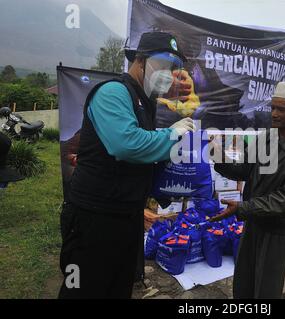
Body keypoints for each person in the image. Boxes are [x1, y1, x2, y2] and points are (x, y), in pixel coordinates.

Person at [58, 32, 196, 299]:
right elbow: (126, 145)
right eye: (164, 66)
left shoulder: (144, 102)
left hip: (125, 216)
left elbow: (143, 157)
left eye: (173, 68)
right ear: (141, 61)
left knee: (118, 287)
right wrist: (171, 135)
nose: (169, 75)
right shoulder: (113, 92)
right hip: (94, 217)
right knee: (85, 290)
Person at [210, 82, 285, 299]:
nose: (274, 114)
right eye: (272, 108)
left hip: (277, 230)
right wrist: (219, 156)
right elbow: (244, 170)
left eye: (281, 109)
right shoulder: (267, 137)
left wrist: (243, 207)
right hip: (254, 221)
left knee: (266, 287)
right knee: (244, 281)